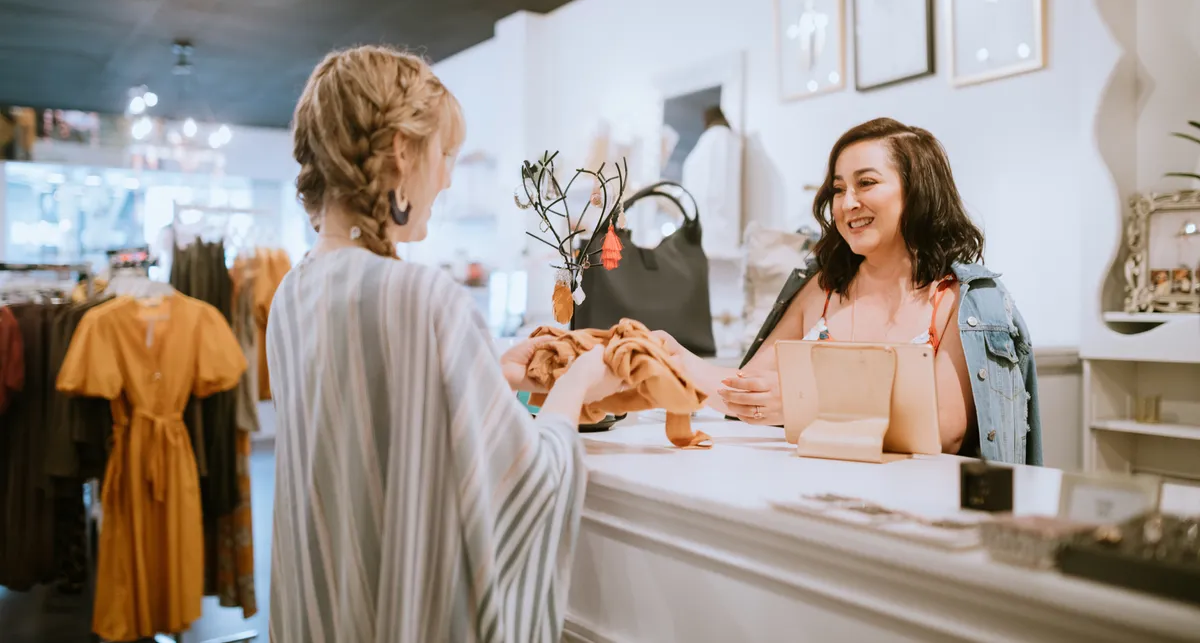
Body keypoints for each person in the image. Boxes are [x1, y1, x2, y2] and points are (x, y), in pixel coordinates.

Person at [266, 45, 624, 642]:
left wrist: (487, 371)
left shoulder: (292, 291)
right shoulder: (421, 295)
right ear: (402, 152)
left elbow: (366, 427)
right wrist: (578, 382)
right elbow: (529, 482)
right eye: (445, 153)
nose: (448, 176)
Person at [660, 118, 1042, 465]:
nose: (847, 203)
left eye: (867, 183)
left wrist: (800, 407)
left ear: (918, 191)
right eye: (839, 188)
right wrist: (671, 358)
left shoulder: (962, 300)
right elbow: (746, 393)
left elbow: (945, 429)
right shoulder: (821, 288)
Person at [681, 104, 741, 256]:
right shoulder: (724, 139)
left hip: (713, 227)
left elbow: (714, 184)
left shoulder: (718, 138)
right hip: (717, 229)